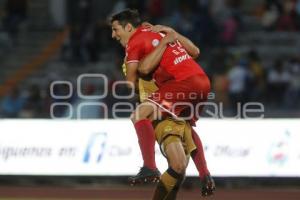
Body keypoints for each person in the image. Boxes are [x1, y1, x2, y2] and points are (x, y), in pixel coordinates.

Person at [110, 9, 215, 196]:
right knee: (179, 166)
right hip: (198, 83)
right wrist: (169, 34)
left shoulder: (135, 47)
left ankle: (149, 166)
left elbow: (139, 73)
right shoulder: (157, 35)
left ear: (128, 27)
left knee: (139, 115)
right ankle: (204, 174)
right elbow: (195, 51)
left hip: (170, 99)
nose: (113, 35)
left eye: (115, 29)